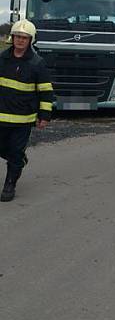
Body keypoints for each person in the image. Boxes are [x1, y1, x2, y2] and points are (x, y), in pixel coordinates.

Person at [0, 20, 54, 202]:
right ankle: (18, 161)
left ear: (30, 40)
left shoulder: (37, 63)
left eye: (24, 38)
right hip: (1, 116)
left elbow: (46, 91)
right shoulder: (2, 59)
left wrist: (45, 116)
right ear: (12, 38)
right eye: (17, 37)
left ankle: (10, 184)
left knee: (15, 152)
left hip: (23, 119)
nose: (20, 40)